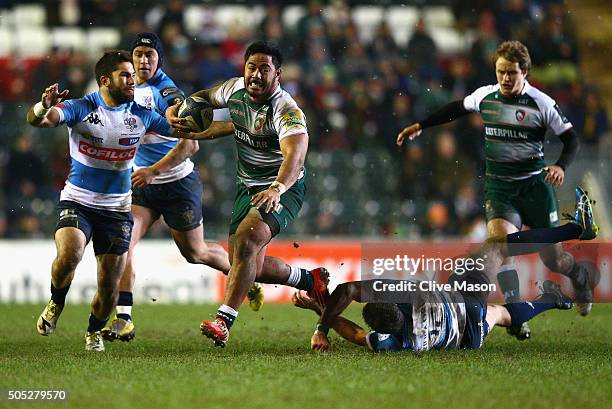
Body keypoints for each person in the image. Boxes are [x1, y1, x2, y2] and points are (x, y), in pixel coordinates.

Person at [396, 40, 590, 340]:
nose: (505, 79)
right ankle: (516, 314)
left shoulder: (541, 103)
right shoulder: (486, 96)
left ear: (524, 71)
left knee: (554, 260)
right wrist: (422, 124)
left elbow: (572, 139)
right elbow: (455, 109)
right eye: (501, 72)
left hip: (535, 188)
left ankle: (578, 275)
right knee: (501, 243)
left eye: (511, 73)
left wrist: (561, 166)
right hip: (500, 188)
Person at [166, 41, 330, 347]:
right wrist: (182, 109)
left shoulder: (287, 111)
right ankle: (310, 280)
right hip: (247, 187)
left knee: (247, 240)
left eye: (264, 69)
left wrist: (277, 188)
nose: (256, 74)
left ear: (277, 74)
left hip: (283, 188)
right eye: (251, 67)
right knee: (244, 260)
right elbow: (203, 98)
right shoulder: (233, 90)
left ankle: (223, 320)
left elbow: (296, 156)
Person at [299, 187, 598, 352]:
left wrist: (319, 312)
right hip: (462, 304)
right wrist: (321, 322)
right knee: (495, 248)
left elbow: (355, 334)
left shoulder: (391, 341)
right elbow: (349, 290)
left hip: (469, 338)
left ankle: (552, 299)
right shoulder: (407, 293)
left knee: (500, 313)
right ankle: (574, 230)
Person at [27, 50, 176, 351]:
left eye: (133, 76)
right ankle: (56, 303)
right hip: (78, 200)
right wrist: (43, 105)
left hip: (117, 209)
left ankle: (93, 330)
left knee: (108, 286)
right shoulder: (81, 108)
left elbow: (185, 130)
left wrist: (232, 125)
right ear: (105, 80)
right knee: (70, 253)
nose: (133, 80)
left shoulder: (142, 115)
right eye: (125, 75)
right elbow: (39, 120)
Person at [101, 32, 238, 343]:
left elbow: (190, 146)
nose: (144, 60)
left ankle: (242, 276)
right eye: (138, 54)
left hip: (177, 183)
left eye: (150, 54)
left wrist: (154, 170)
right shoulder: (124, 87)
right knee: (123, 244)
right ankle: (124, 318)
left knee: (196, 252)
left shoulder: (168, 93)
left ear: (159, 58)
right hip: (141, 185)